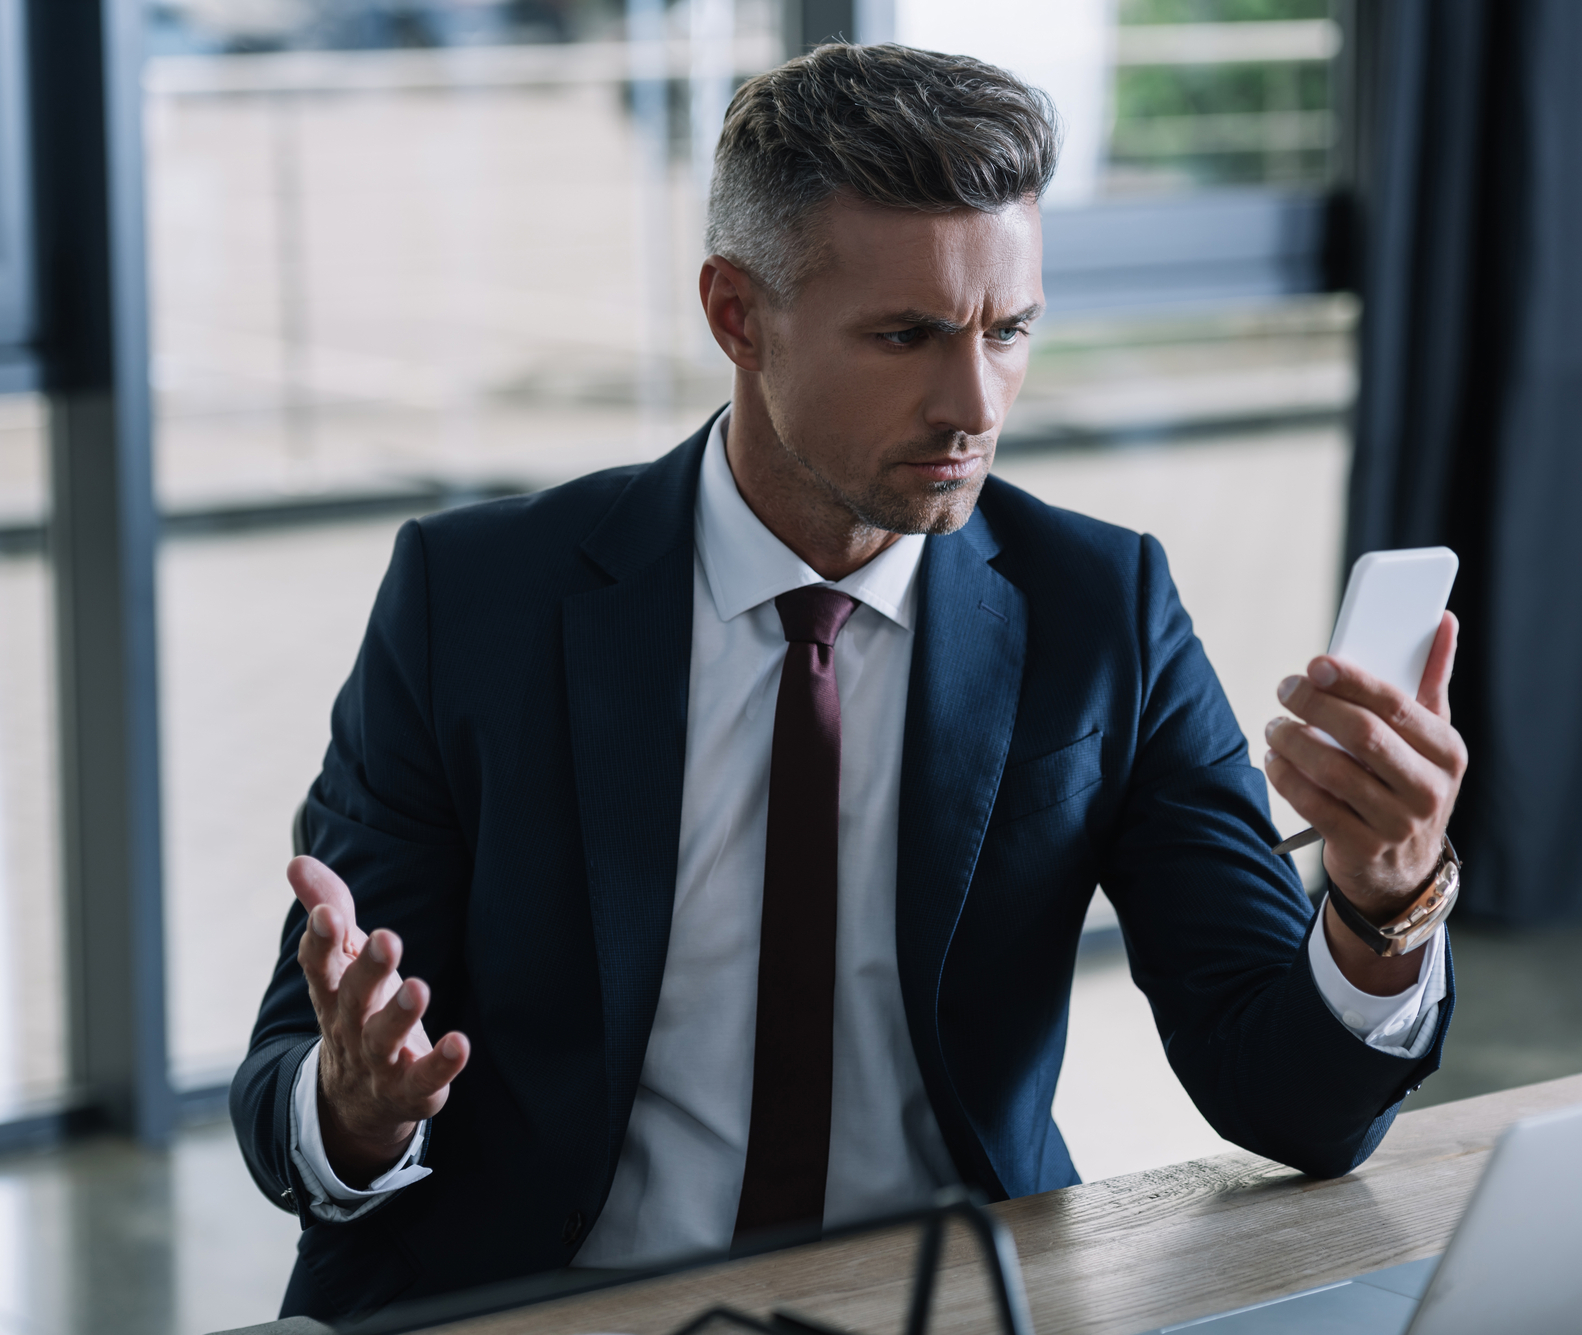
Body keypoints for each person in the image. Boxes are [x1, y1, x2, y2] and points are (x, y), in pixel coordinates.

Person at [230, 43, 1469, 1322]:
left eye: (1010, 330)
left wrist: (1380, 912)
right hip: (557, 1301)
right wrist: (355, 1111)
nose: (971, 403)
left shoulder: (1101, 609)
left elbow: (1290, 1107)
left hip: (941, 1299)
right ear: (735, 315)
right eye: (905, 336)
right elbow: (291, 1088)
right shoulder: (474, 600)